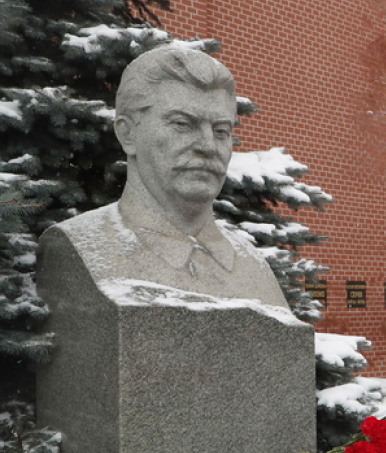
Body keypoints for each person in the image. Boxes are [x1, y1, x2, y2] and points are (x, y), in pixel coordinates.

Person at [39, 47, 286, 307]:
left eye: (221, 131)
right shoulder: (81, 247)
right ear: (128, 134)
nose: (208, 146)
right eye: (182, 124)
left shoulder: (255, 268)